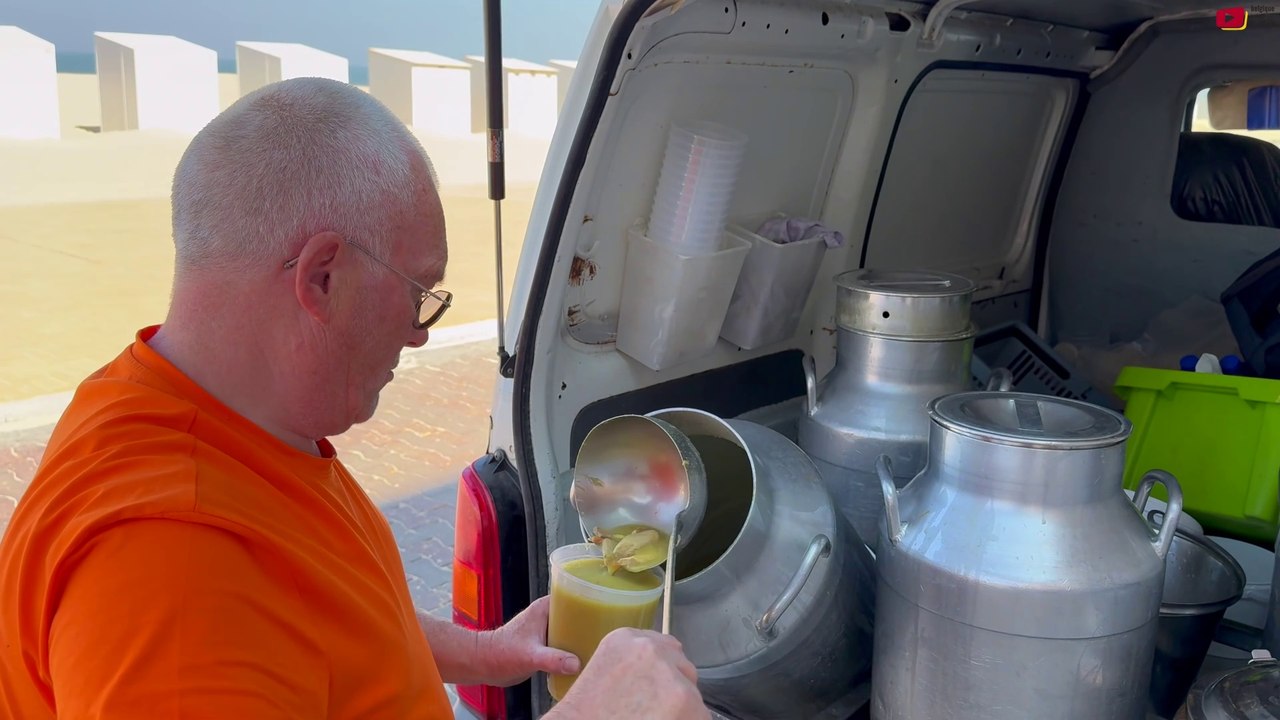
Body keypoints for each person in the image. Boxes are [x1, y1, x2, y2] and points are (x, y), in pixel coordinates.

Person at [0, 77, 707, 719]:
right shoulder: (169, 574)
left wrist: (487, 652)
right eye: (418, 294)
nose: (419, 334)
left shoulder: (203, 409)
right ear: (322, 278)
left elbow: (320, 625)